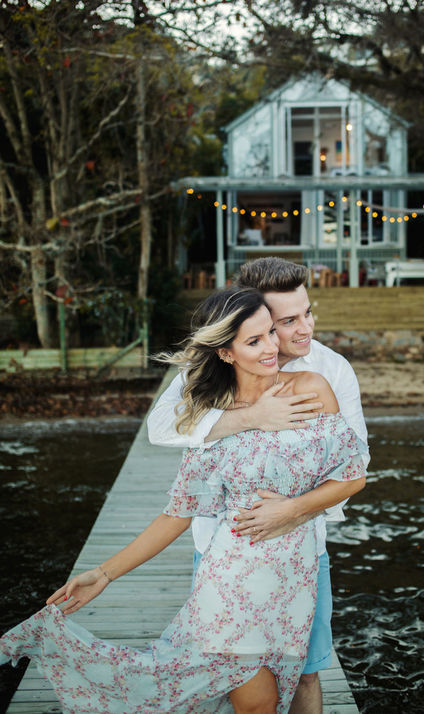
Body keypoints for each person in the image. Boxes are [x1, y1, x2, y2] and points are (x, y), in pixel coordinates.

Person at [0, 287, 367, 714]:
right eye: (254, 341)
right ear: (226, 354)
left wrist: (293, 509)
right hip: (232, 581)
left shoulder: (311, 387)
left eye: (270, 332)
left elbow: (352, 477)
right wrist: (103, 574)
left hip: (293, 581)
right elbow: (178, 513)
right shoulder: (211, 417)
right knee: (258, 705)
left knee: (280, 693)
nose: (272, 347)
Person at [147, 257, 369, 714]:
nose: (304, 329)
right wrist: (251, 418)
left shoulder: (330, 370)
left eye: (307, 312)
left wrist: (293, 510)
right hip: (221, 551)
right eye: (286, 321)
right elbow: (160, 428)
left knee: (306, 670)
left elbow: (355, 463)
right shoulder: (211, 368)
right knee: (238, 681)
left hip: (304, 553)